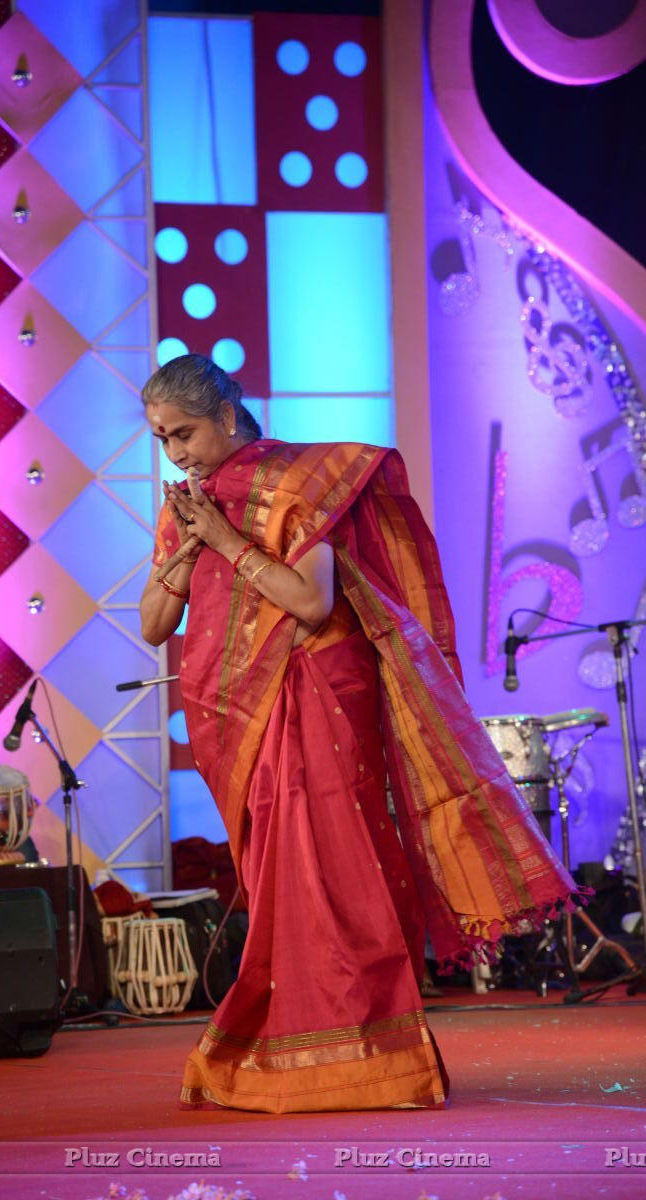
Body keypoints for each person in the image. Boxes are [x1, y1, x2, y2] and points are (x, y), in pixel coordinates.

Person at [140, 354, 581, 1113]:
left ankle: (376, 1056)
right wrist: (188, 546)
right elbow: (153, 625)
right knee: (281, 877)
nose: (176, 453)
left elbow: (308, 604)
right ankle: (286, 1050)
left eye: (184, 433)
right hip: (239, 714)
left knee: (339, 868)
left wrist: (224, 540)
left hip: (319, 695)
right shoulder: (191, 507)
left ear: (225, 414)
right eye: (163, 440)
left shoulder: (300, 485)